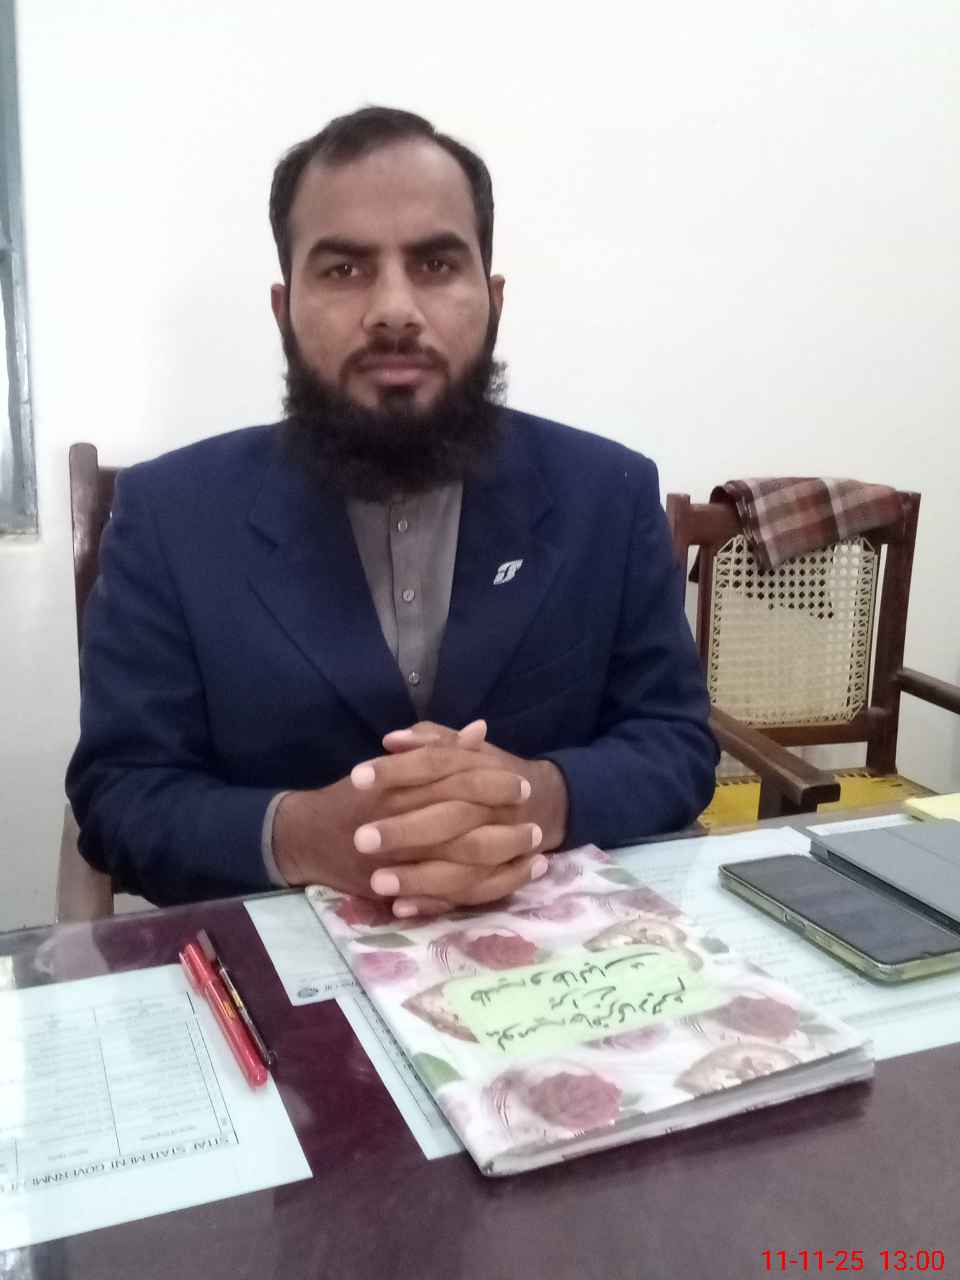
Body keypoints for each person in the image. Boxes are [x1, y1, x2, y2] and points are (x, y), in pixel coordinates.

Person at [66, 106, 717, 913]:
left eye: (437, 264)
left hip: (561, 953)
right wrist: (300, 835)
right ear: (282, 309)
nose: (394, 309)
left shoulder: (607, 494)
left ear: (494, 299)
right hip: (283, 962)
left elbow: (675, 742)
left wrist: (533, 798)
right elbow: (120, 793)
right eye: (344, 269)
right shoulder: (169, 518)